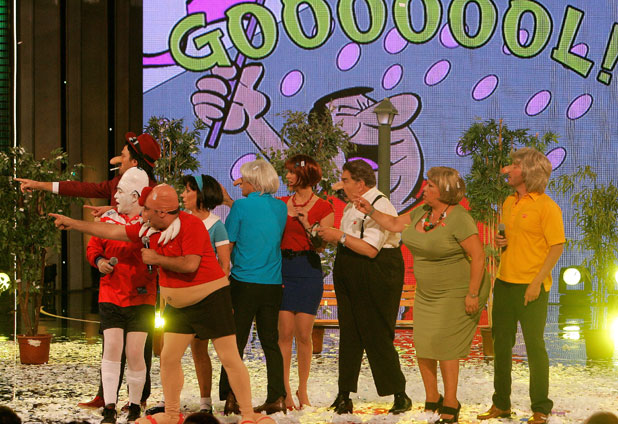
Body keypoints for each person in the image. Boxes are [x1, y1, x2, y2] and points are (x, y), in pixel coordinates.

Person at [50, 184, 274, 424]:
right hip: (179, 305)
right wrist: (73, 224)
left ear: (163, 212)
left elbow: (190, 264)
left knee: (229, 357)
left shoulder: (191, 225)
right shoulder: (148, 228)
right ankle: (172, 412)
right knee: (168, 357)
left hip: (210, 299)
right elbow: (112, 231)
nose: (143, 213)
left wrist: (157, 258)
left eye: (147, 209)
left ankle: (248, 414)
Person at [16, 131, 161, 410]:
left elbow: (137, 226)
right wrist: (41, 185)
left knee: (138, 346)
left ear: (136, 163)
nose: (119, 159)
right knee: (113, 344)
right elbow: (82, 189)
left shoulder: (154, 197)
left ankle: (137, 399)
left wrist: (116, 211)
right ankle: (107, 397)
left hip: (142, 284)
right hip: (114, 287)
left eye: (124, 155)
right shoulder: (119, 185)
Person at [356, 166, 489, 423]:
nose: (424, 189)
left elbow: (478, 256)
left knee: (445, 345)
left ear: (444, 191)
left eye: (430, 185)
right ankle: (432, 396)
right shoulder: (422, 212)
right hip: (427, 292)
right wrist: (370, 210)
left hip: (456, 291)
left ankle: (451, 402)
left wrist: (473, 293)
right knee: (425, 343)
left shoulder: (459, 218)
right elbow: (394, 223)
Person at [316, 159, 412, 415]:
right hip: (350, 266)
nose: (342, 185)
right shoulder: (353, 204)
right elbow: (350, 239)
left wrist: (338, 236)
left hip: (375, 270)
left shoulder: (379, 204)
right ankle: (344, 394)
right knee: (350, 331)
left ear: (360, 183)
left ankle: (399, 393)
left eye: (346, 180)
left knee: (376, 331)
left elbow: (370, 249)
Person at [477, 147, 565, 424]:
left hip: (531, 286)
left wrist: (537, 282)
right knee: (501, 346)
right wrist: (501, 242)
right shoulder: (508, 202)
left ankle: (540, 407)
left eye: (514, 165)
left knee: (534, 346)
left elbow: (557, 246)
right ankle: (501, 404)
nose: (508, 170)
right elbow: (514, 239)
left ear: (528, 171)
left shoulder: (547, 206)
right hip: (504, 282)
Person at [146, 174, 230, 417]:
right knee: (169, 352)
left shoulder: (216, 225)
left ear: (200, 195)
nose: (183, 195)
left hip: (204, 297)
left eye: (188, 190)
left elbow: (224, 264)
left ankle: (205, 402)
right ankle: (169, 402)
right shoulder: (177, 221)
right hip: (176, 295)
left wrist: (216, 296)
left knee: (200, 350)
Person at [218, 159, 288, 416]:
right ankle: (277, 397)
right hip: (272, 284)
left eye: (243, 180)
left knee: (235, 341)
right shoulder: (280, 208)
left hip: (244, 282)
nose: (239, 185)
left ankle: (231, 396)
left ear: (254, 182)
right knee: (271, 342)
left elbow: (228, 243)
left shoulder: (241, 207)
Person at [86, 168, 156, 424]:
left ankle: (135, 405)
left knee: (136, 352)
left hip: (141, 297)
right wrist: (100, 261)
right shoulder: (107, 220)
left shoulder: (150, 224)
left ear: (136, 196)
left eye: (120, 192)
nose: (114, 196)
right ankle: (109, 406)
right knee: (112, 349)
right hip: (111, 295)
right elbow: (93, 247)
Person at [278, 155, 334, 410]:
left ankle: (303, 389)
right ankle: (285, 391)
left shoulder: (324, 207)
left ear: (305, 175)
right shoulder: (280, 204)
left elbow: (322, 245)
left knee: (303, 334)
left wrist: (306, 222)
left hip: (308, 270)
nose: (288, 176)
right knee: (284, 334)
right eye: (288, 172)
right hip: (283, 269)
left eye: (292, 172)